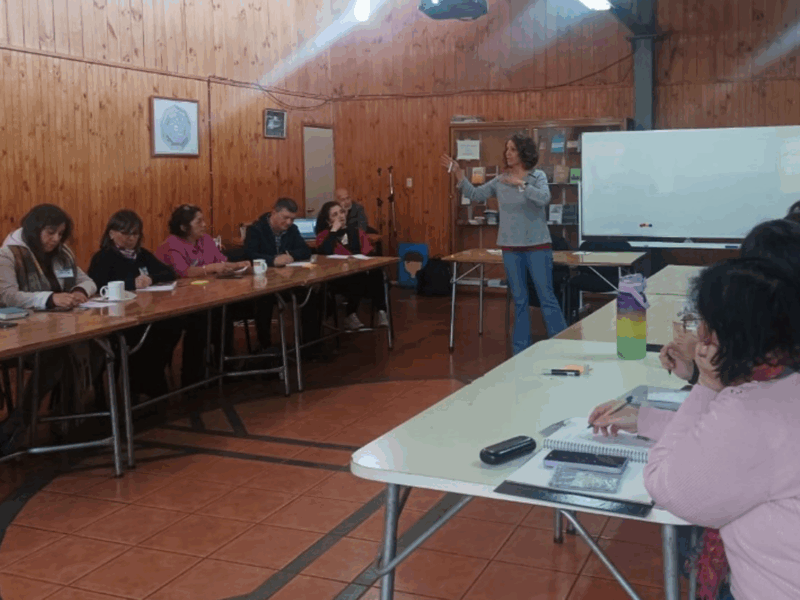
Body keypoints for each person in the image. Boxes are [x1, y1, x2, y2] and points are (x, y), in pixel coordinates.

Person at [589, 257, 800, 600]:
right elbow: (721, 442)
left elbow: (667, 483)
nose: (699, 333)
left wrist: (707, 384)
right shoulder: (783, 383)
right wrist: (642, 419)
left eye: (705, 323)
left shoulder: (752, 408)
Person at [441, 134, 567, 354]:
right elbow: (475, 194)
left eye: (513, 149)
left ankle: (564, 347)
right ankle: (520, 350)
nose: (508, 153)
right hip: (510, 249)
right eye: (507, 149)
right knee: (520, 300)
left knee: (546, 297)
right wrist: (459, 172)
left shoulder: (536, 176)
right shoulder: (500, 180)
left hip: (538, 247)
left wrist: (521, 184)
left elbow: (544, 198)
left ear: (524, 153)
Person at [0, 204, 102, 454]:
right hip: (21, 333)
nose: (56, 239)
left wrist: (79, 290)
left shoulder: (62, 253)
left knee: (99, 346)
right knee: (56, 354)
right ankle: (22, 421)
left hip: (59, 327)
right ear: (34, 230)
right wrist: (49, 298)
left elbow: (87, 280)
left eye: (60, 234)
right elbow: (8, 295)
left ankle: (66, 413)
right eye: (50, 233)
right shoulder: (9, 254)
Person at [88, 210, 182, 399]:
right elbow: (97, 284)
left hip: (144, 310)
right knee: (143, 332)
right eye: (126, 233)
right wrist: (132, 283)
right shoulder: (103, 257)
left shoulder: (142, 255)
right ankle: (140, 382)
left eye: (135, 234)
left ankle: (149, 378)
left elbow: (169, 273)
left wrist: (151, 278)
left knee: (173, 324)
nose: (131, 238)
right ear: (111, 233)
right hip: (116, 316)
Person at [156, 205, 249, 386]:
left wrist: (239, 265)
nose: (205, 225)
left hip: (204, 296)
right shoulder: (171, 244)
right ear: (184, 227)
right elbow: (183, 272)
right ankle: (192, 376)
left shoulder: (205, 240)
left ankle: (223, 364)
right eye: (199, 222)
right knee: (201, 320)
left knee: (224, 313)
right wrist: (211, 268)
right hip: (174, 303)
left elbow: (221, 261)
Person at [244, 197, 319, 350]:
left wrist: (290, 255)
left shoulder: (292, 229)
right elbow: (249, 254)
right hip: (263, 282)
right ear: (274, 213)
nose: (289, 222)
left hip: (288, 281)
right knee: (262, 299)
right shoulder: (256, 229)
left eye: (292, 219)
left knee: (312, 292)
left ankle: (310, 345)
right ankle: (265, 347)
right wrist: (273, 260)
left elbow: (305, 250)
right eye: (285, 218)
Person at [315, 201, 389, 329]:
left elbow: (369, 253)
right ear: (328, 221)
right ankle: (350, 314)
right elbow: (323, 253)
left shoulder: (357, 232)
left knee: (377, 273)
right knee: (357, 276)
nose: (340, 216)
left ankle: (382, 312)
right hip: (337, 278)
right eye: (335, 215)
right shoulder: (324, 236)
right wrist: (333, 231)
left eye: (341, 212)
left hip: (359, 274)